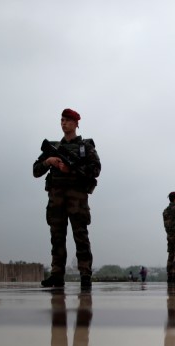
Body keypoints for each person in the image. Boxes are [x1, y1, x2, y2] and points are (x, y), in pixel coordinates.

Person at [33, 108, 101, 289]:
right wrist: (49, 162)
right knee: (57, 239)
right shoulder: (54, 148)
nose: (64, 123)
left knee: (81, 238)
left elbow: (96, 170)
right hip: (56, 201)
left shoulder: (85, 147)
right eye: (62, 120)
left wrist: (70, 169)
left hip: (77, 201)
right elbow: (35, 170)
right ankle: (56, 275)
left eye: (68, 120)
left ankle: (85, 275)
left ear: (76, 124)